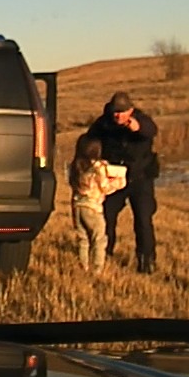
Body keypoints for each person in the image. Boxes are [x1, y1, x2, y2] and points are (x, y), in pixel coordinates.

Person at [85, 91, 160, 273]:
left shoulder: (141, 120)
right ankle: (104, 254)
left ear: (131, 110)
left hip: (140, 178)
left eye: (122, 112)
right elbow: (89, 140)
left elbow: (151, 130)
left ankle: (146, 261)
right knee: (106, 218)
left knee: (143, 220)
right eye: (115, 112)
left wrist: (137, 127)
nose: (118, 116)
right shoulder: (104, 123)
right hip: (113, 179)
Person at [68, 134, 126, 275]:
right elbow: (105, 187)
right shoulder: (98, 167)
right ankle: (97, 269)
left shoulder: (76, 166)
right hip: (93, 208)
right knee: (99, 239)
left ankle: (83, 266)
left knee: (83, 239)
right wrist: (119, 183)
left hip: (77, 206)